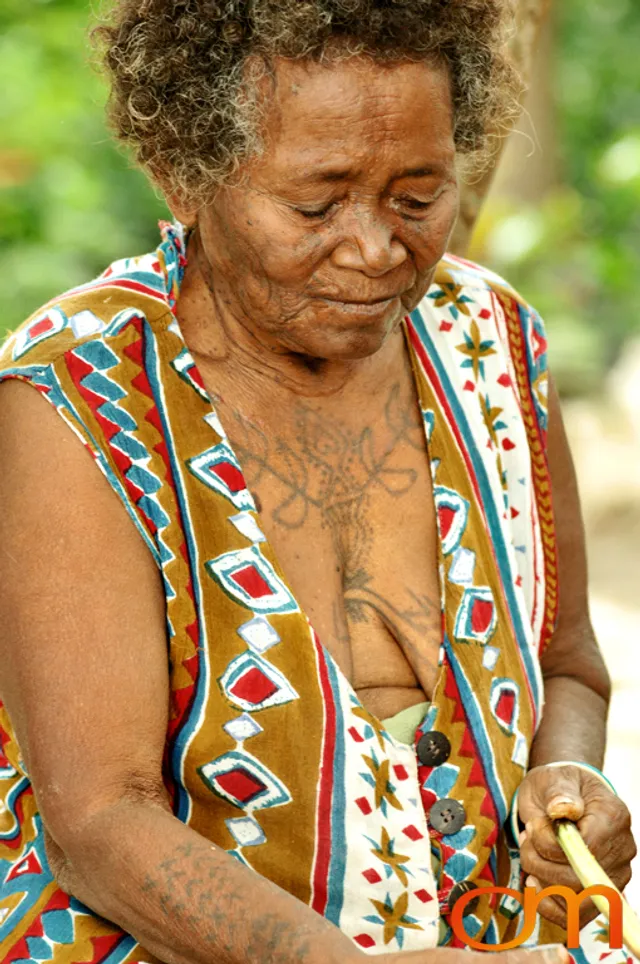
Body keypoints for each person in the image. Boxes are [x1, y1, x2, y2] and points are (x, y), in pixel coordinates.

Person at [0, 2, 635, 963]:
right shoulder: (80, 396)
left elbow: (570, 659)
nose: (377, 249)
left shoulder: (490, 342)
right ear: (185, 175)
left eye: (418, 197)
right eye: (316, 204)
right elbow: (99, 823)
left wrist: (568, 774)